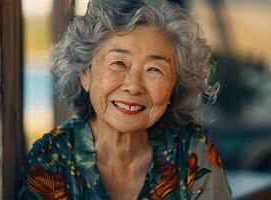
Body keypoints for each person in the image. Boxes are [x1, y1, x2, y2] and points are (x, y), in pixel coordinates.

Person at [19, 0, 232, 199]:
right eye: (118, 63)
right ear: (85, 75)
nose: (133, 86)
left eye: (155, 69)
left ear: (176, 85)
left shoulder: (190, 147)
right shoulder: (52, 159)